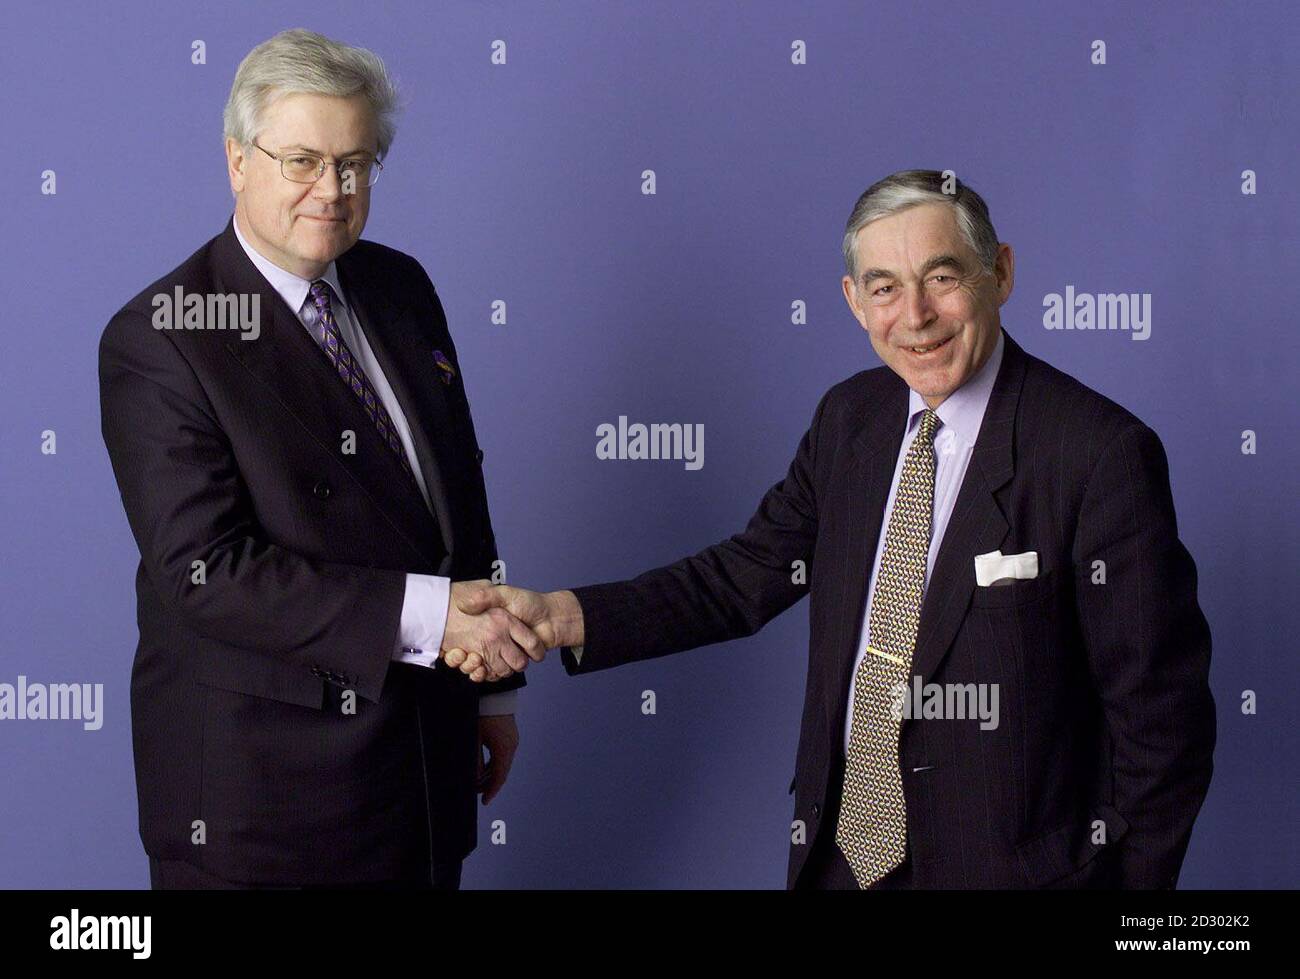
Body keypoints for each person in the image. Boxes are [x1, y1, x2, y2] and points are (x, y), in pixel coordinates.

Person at [446, 169, 1217, 890]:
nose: (914, 316)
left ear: (1001, 274)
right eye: (885, 288)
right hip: (837, 860)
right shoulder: (851, 420)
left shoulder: (1097, 453)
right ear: (854, 300)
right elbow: (742, 577)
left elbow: (1162, 726)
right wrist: (560, 616)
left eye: (942, 278)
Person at [99, 29, 543, 890]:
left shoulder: (399, 284)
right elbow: (209, 573)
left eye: (356, 163)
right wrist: (436, 621)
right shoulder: (163, 337)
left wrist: (493, 692)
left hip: (421, 766)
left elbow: (456, 489)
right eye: (302, 160)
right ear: (237, 160)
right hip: (266, 806)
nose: (332, 192)